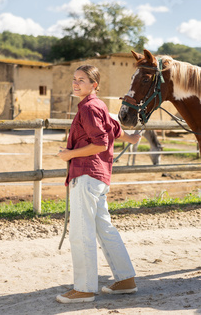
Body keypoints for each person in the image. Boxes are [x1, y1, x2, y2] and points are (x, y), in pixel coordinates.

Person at [56, 64, 141, 303]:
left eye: (81, 80)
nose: (76, 83)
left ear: (94, 84)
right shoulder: (99, 106)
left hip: (86, 175)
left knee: (81, 232)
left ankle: (83, 289)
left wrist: (70, 154)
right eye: (74, 79)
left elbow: (101, 143)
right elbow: (114, 130)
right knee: (104, 229)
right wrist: (132, 138)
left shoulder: (89, 108)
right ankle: (125, 280)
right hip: (99, 177)